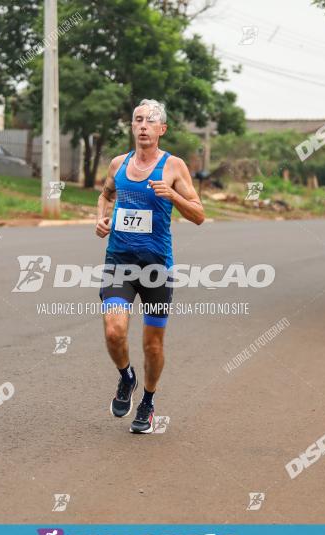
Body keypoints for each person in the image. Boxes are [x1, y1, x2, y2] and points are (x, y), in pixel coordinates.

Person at [94, 99, 205, 433]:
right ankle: (127, 378)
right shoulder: (118, 164)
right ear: (132, 127)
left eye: (149, 121)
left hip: (157, 267)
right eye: (137, 120)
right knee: (114, 331)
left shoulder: (174, 167)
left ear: (162, 129)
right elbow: (105, 195)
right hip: (120, 263)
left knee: (152, 343)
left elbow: (199, 214)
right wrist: (101, 218)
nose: (143, 126)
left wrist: (173, 197)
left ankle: (148, 401)